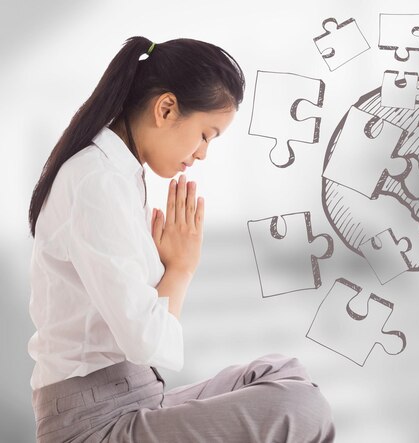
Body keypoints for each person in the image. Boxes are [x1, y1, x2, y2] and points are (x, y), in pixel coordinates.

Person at [26, 36, 336, 442]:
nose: (203, 153)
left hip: (133, 397)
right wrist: (181, 268)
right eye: (206, 134)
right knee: (299, 408)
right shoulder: (95, 182)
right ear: (166, 108)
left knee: (283, 372)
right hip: (94, 423)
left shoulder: (120, 174)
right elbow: (147, 344)